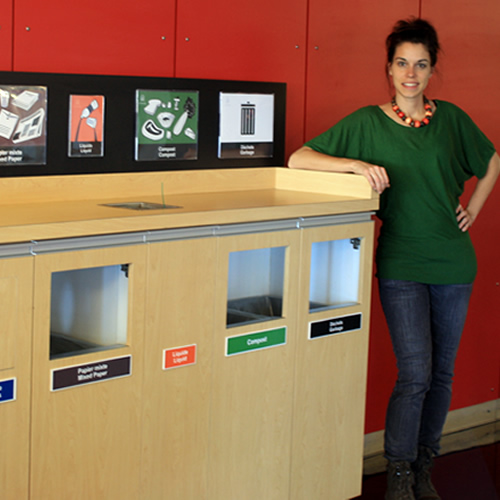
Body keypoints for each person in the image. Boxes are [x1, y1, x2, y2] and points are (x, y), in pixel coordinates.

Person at [288, 17, 500, 500]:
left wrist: (474, 209)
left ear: (431, 71)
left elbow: (492, 161)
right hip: (401, 264)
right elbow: (300, 159)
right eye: (402, 63)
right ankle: (399, 474)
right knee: (416, 374)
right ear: (389, 69)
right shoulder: (366, 123)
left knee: (441, 374)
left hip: (454, 263)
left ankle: (425, 467)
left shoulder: (451, 119)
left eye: (421, 65)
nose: (411, 73)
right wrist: (356, 164)